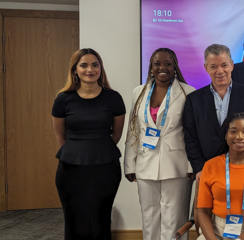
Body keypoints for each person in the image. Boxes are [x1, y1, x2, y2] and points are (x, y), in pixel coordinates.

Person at [51, 48, 125, 240]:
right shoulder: (63, 99)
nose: (89, 69)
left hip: (105, 168)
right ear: (75, 70)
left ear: (101, 69)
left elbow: (116, 135)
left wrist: (96, 147)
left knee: (100, 219)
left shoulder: (113, 98)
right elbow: (61, 136)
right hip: (71, 169)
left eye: (95, 65)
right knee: (73, 219)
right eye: (83, 65)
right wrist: (79, 148)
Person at [123, 48, 196, 240]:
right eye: (157, 63)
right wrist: (130, 164)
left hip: (177, 165)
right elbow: (133, 130)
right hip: (145, 162)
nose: (162, 68)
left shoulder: (187, 92)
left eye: (167, 64)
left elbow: (192, 133)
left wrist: (192, 165)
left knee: (175, 217)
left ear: (175, 67)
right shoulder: (139, 92)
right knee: (149, 215)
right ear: (151, 66)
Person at [183, 44, 244, 181]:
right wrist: (198, 168)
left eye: (224, 65)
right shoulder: (194, 100)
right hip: (208, 171)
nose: (220, 71)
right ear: (206, 68)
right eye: (213, 66)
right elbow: (191, 138)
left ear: (232, 65)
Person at [196, 112, 244, 240]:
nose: (239, 136)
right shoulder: (210, 166)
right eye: (233, 131)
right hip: (215, 230)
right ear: (225, 136)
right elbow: (203, 211)